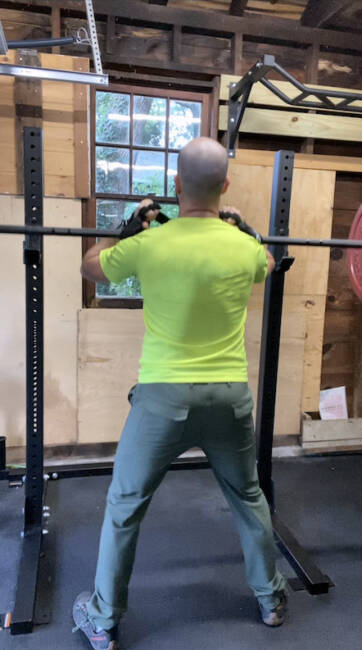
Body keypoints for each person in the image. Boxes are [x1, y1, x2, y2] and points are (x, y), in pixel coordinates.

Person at [73, 137, 287, 650]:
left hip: (163, 399)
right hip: (229, 396)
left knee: (125, 504)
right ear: (225, 186)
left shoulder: (149, 244)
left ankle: (102, 621)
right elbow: (271, 262)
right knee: (248, 497)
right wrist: (244, 227)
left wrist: (126, 227)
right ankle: (272, 600)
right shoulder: (243, 248)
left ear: (174, 186)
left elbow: (90, 265)